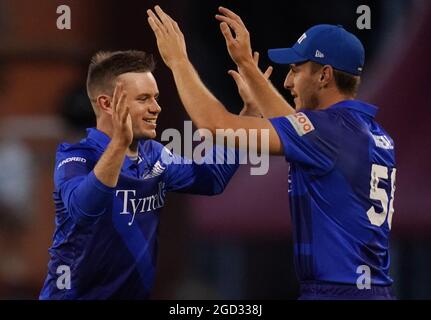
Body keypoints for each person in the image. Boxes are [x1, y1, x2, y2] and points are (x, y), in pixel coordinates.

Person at [147, 6, 397, 299]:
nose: (288, 82)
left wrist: (177, 60)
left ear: (324, 75)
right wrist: (249, 69)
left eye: (296, 70)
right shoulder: (369, 133)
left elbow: (214, 124)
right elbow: (299, 129)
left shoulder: (327, 132)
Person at [39, 50, 241, 299]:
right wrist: (119, 145)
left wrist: (247, 118)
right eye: (144, 99)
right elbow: (83, 210)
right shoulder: (77, 157)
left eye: (155, 98)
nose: (156, 108)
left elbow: (211, 178)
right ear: (107, 104)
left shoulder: (152, 155)